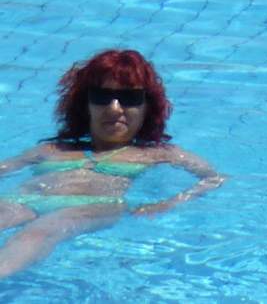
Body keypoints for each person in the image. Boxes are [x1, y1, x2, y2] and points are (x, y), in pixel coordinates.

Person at [0, 49, 223, 278]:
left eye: (129, 98)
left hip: (93, 206)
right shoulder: (52, 149)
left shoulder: (158, 154)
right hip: (25, 199)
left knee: (38, 233)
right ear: (85, 104)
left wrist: (166, 204)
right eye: (101, 97)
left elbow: (213, 178)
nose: (114, 108)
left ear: (147, 106)